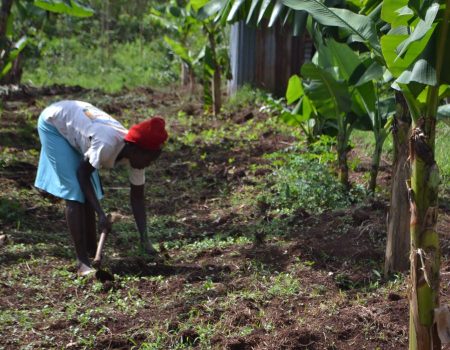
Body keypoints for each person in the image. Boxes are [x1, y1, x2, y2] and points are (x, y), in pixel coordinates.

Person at [34, 100, 168, 276]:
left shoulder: (137, 154)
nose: (148, 165)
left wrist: (145, 240)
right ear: (136, 150)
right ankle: (82, 263)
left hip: (81, 128)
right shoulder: (106, 145)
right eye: (149, 160)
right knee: (75, 192)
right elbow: (82, 174)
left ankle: (91, 250)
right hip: (54, 123)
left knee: (92, 192)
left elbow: (137, 198)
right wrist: (100, 213)